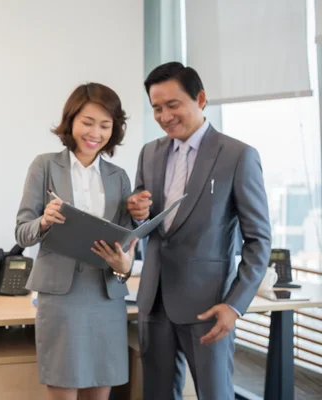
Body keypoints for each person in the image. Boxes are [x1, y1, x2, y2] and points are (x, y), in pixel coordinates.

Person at [127, 62, 271, 399]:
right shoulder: (149, 153)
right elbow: (141, 223)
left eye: (172, 105)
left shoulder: (238, 155)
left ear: (201, 99)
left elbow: (258, 239)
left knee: (214, 393)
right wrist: (136, 214)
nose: (164, 116)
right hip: (154, 299)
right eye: (157, 108)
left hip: (209, 304)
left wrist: (234, 305)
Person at [16, 82, 138, 400]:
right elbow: (21, 231)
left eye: (105, 125)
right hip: (61, 296)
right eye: (87, 122)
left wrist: (125, 266)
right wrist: (43, 222)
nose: (94, 133)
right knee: (64, 386)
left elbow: (127, 242)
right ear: (71, 120)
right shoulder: (45, 166)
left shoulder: (119, 177)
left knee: (101, 388)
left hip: (106, 295)